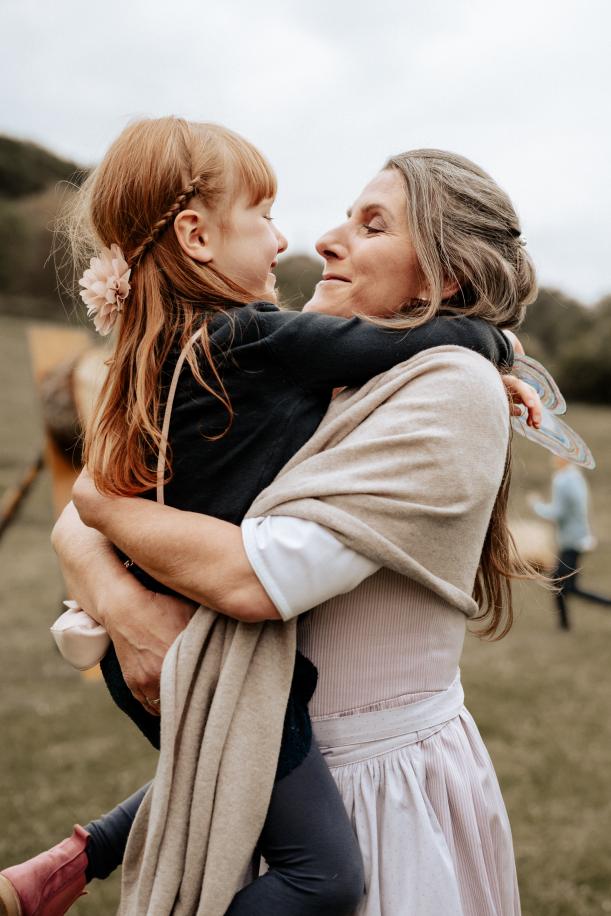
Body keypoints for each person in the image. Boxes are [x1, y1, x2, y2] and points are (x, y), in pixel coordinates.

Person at [0, 124, 536, 916]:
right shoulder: (287, 368)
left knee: (313, 858)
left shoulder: (438, 384)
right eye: (338, 216)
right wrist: (122, 596)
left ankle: (85, 856)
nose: (318, 239)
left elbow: (245, 575)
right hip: (256, 715)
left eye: (371, 224)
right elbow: (84, 516)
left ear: (445, 279)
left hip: (373, 782)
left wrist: (101, 508)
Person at [531, 456, 611, 629]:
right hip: (580, 538)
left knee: (565, 585)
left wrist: (537, 505)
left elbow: (557, 513)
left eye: (557, 455)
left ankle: (604, 605)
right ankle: (564, 625)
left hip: (570, 541)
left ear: (564, 459)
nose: (553, 458)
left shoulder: (562, 480)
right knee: (559, 582)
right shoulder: (576, 476)